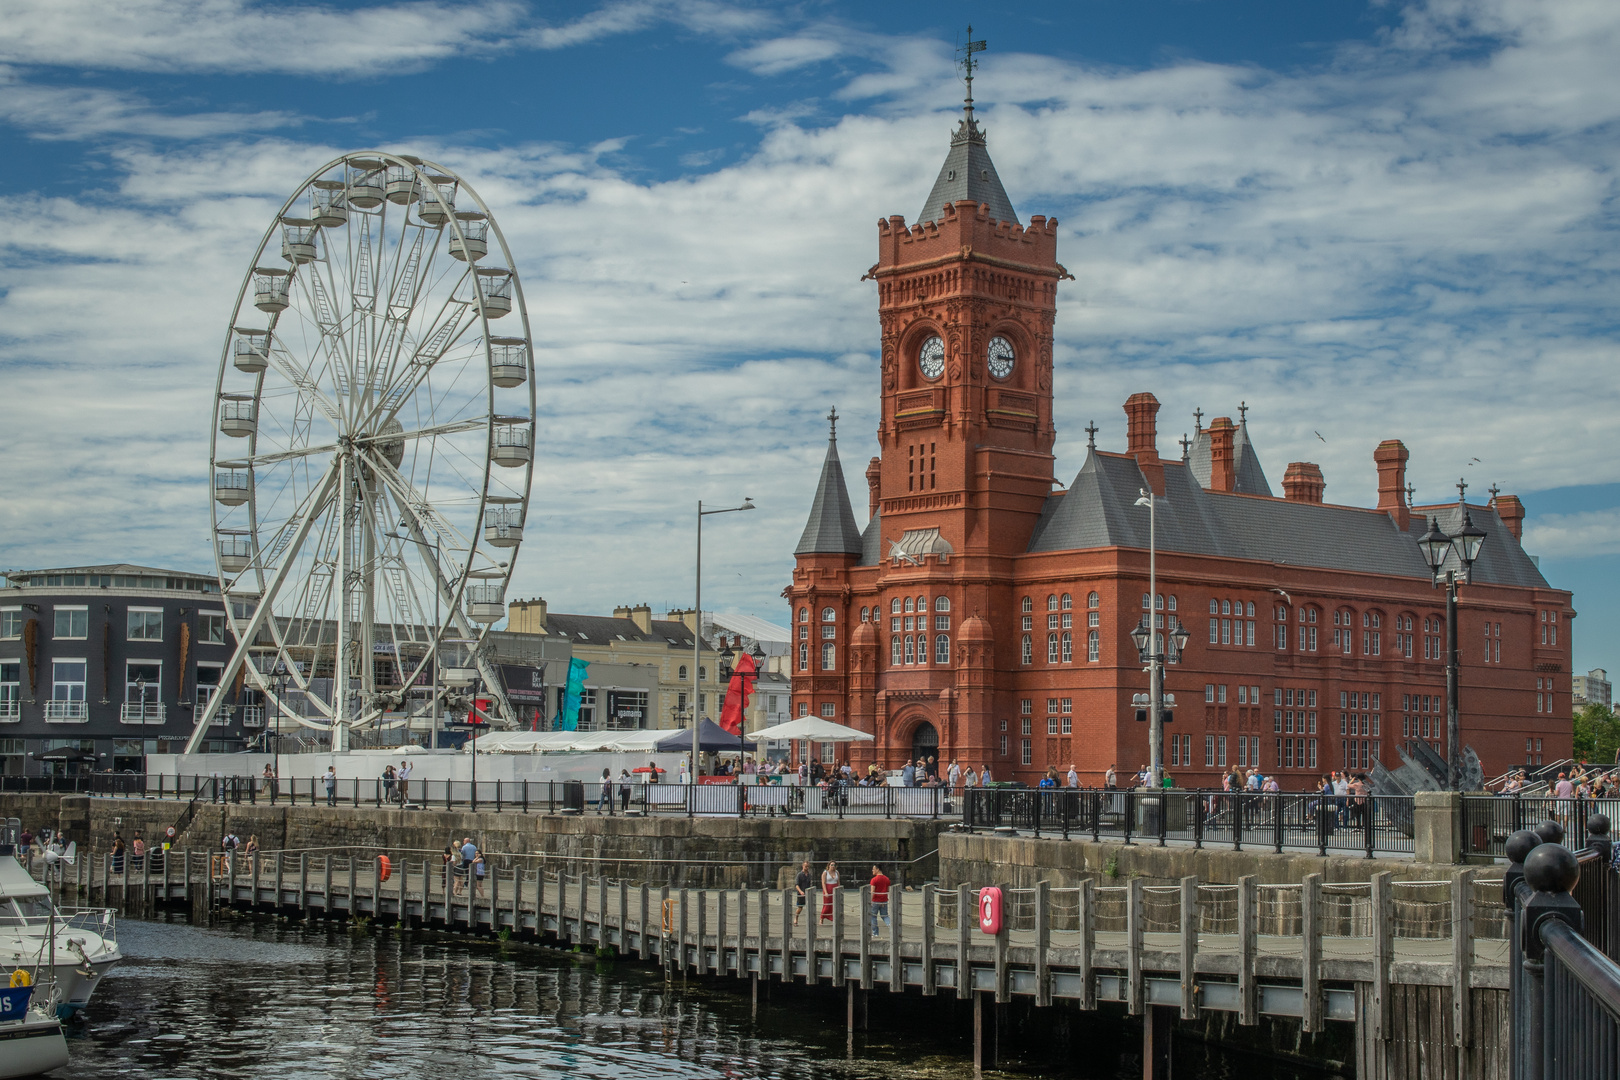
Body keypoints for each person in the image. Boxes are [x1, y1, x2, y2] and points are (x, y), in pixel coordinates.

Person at [869, 864, 891, 938]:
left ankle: (875, 933)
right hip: (884, 900)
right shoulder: (887, 879)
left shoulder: (874, 880)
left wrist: (870, 901)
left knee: (873, 916)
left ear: (877, 869)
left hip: (875, 900)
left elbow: (872, 891)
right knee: (884, 915)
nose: (872, 870)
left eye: (873, 869)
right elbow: (887, 890)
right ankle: (890, 924)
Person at [793, 860, 812, 927]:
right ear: (803, 866)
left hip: (807, 893)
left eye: (807, 867)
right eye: (805, 866)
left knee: (809, 907)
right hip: (801, 893)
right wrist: (800, 891)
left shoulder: (809, 875)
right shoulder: (799, 875)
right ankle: (796, 918)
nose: (806, 868)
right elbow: (796, 885)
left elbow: (810, 884)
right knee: (800, 907)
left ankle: (809, 921)